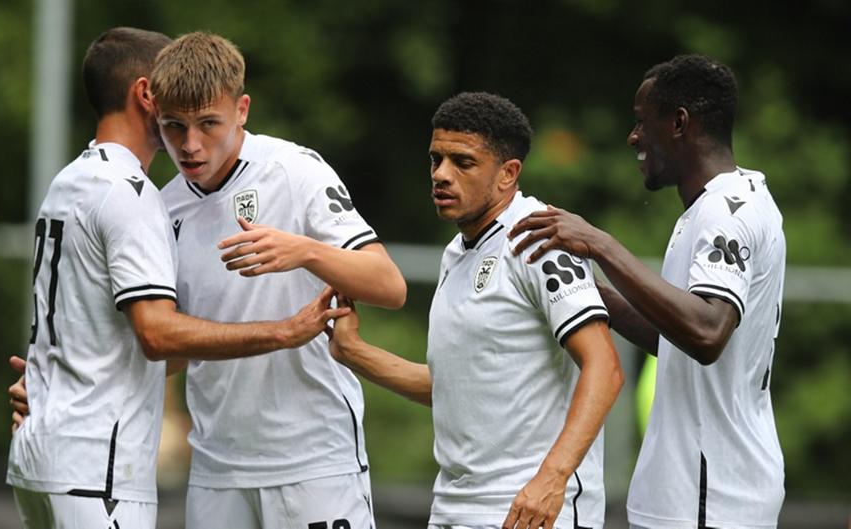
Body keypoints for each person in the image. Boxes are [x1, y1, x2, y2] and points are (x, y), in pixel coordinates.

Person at [6, 27, 348, 529]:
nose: (188, 135)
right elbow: (158, 334)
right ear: (148, 94)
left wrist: (48, 381)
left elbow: (101, 333)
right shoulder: (135, 193)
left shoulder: (69, 180)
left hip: (40, 452)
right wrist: (282, 331)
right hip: (97, 466)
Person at [509, 55, 785, 528]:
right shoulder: (719, 205)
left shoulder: (726, 211)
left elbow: (707, 333)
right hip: (694, 491)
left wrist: (600, 244)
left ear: (678, 123)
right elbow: (674, 339)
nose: (633, 137)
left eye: (642, 121)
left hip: (711, 494)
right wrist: (587, 291)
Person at [329, 92, 624, 529]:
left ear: (508, 174)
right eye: (436, 159)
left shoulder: (539, 239)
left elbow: (605, 367)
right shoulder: (457, 253)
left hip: (530, 510)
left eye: (462, 162)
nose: (441, 174)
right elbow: (453, 387)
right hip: (455, 507)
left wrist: (553, 477)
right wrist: (352, 351)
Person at [149, 32, 407, 529]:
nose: (190, 144)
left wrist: (304, 250)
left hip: (313, 460)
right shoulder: (162, 208)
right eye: (174, 126)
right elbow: (174, 348)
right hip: (217, 469)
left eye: (208, 123)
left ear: (242, 110)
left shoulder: (294, 171)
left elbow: (389, 286)